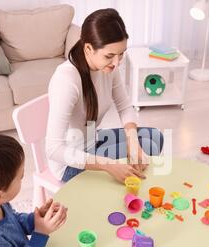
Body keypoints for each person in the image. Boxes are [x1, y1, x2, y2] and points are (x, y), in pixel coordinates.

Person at [47, 8, 164, 183]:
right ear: (88, 48)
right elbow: (53, 149)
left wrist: (132, 142)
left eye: (121, 54)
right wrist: (108, 165)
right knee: (149, 146)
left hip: (93, 140)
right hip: (71, 163)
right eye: (109, 55)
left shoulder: (109, 66)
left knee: (155, 137)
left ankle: (131, 181)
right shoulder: (67, 79)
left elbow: (125, 107)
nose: (116, 62)